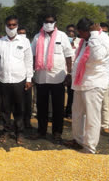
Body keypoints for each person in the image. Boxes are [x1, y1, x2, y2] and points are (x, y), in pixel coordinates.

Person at [65, 18, 109, 154]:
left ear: (87, 31)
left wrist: (95, 36)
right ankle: (78, 140)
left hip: (94, 83)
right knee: (77, 114)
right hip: (81, 82)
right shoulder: (85, 40)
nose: (79, 35)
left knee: (92, 117)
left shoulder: (102, 39)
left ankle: (90, 147)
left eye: (81, 32)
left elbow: (97, 57)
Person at [31, 14, 73, 143]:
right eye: (46, 21)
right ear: (43, 22)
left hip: (58, 77)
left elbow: (68, 55)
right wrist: (31, 73)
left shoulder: (62, 36)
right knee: (42, 107)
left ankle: (57, 133)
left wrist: (69, 73)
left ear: (55, 23)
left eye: (51, 21)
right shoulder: (37, 37)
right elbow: (33, 56)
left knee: (58, 107)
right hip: (41, 77)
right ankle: (41, 131)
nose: (48, 23)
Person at [0, 16, 33, 145]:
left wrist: (29, 78)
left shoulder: (24, 42)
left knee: (19, 108)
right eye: (9, 25)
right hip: (3, 80)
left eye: (13, 25)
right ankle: (6, 131)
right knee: (5, 108)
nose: (11, 27)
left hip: (19, 80)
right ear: (5, 26)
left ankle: (20, 133)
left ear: (17, 26)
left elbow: (28, 61)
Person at [17, 26, 34, 128]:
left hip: (26, 76)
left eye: (24, 33)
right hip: (16, 77)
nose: (22, 34)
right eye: (20, 33)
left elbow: (29, 61)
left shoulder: (27, 42)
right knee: (18, 102)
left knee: (27, 101)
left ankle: (27, 121)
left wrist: (29, 77)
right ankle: (18, 122)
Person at [100, 22, 109, 134]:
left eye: (105, 31)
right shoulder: (94, 44)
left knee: (105, 103)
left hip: (106, 78)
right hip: (96, 78)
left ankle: (105, 124)